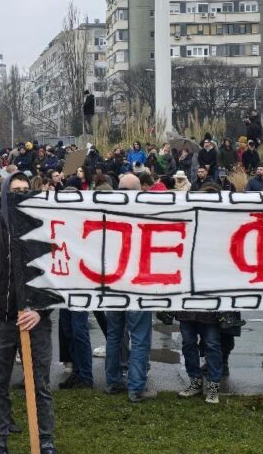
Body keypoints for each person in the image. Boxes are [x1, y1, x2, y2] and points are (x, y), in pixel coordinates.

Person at [0, 173, 58, 454]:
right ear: (5, 193)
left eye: (24, 190)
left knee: (40, 383)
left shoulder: (44, 232)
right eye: (14, 190)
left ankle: (45, 439)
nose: (19, 194)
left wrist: (41, 312)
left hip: (35, 320)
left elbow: (55, 277)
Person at [104, 173, 152, 403]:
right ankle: (136, 387)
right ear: (140, 190)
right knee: (140, 337)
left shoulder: (108, 213)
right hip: (139, 283)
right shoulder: (147, 213)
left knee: (114, 335)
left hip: (114, 283)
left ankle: (113, 381)